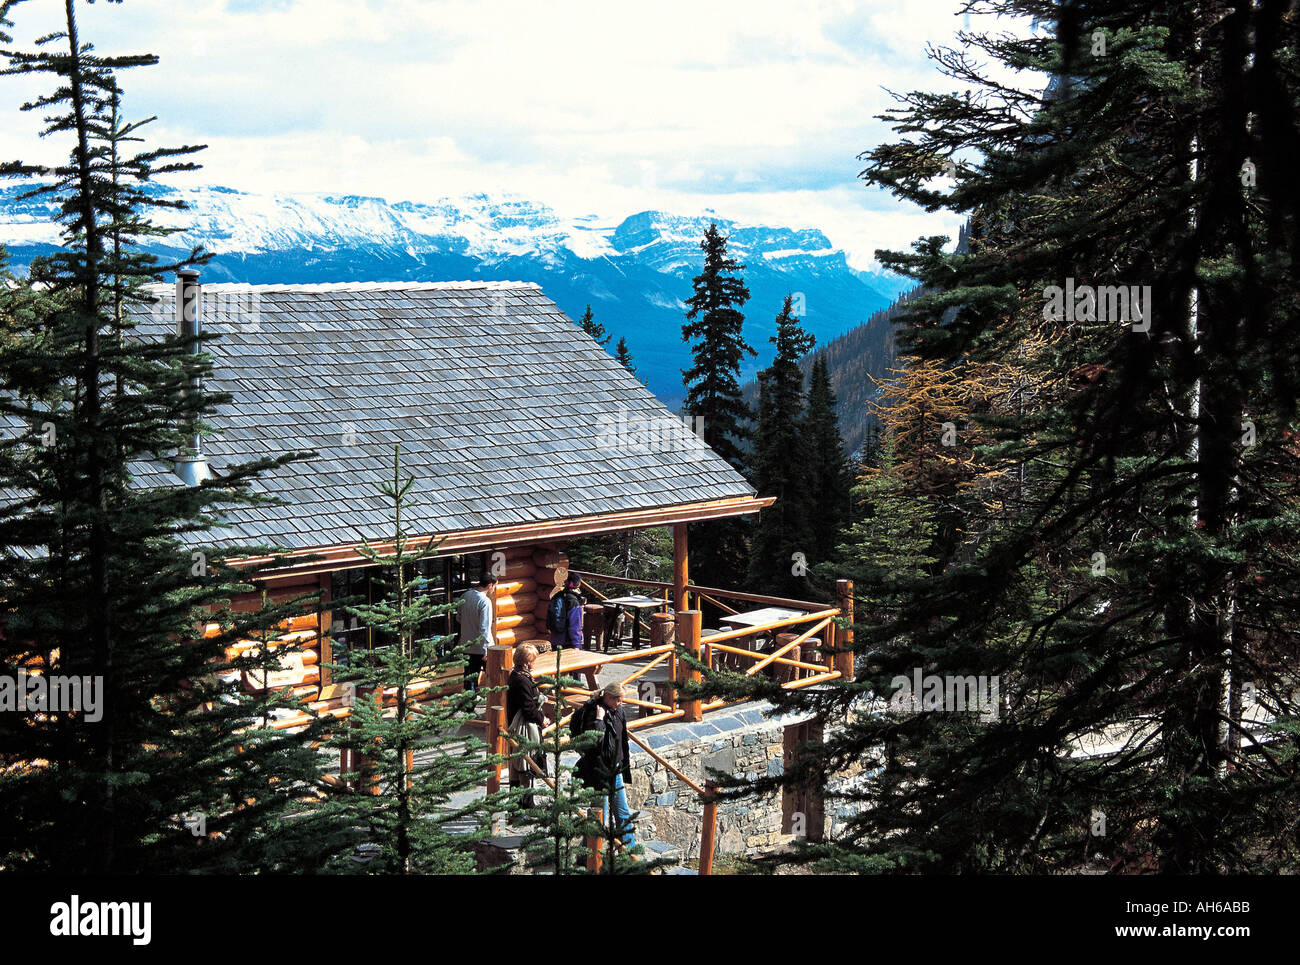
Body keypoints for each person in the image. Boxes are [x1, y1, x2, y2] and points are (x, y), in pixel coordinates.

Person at [572, 682, 636, 849]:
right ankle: (589, 853)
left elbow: (622, 740)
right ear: (608, 697)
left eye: (622, 700)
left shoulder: (619, 712)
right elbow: (594, 741)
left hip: (615, 768)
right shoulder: (594, 712)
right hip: (598, 771)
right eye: (618, 700)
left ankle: (629, 850)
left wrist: (622, 764)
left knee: (622, 811)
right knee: (599, 814)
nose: (620, 704)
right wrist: (599, 720)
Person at [507, 643, 549, 808]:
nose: (534, 664)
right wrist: (542, 719)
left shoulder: (516, 675)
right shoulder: (522, 680)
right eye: (532, 660)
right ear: (526, 662)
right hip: (524, 728)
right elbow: (528, 708)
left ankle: (517, 805)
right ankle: (525, 804)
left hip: (519, 726)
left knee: (518, 766)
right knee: (525, 765)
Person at [548, 573, 598, 690]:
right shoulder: (573, 601)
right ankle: (575, 693)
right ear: (578, 584)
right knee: (575, 673)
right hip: (569, 642)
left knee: (559, 670)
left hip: (555, 639)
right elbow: (575, 626)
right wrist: (576, 645)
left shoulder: (557, 596)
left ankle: (559, 693)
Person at [459, 571, 498, 690]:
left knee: (469, 677)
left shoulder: (465, 595)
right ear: (490, 585)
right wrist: (486, 649)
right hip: (481, 648)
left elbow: (459, 618)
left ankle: (468, 706)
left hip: (466, 645)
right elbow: (485, 628)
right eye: (494, 586)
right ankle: (493, 704)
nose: (493, 590)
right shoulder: (485, 602)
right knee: (493, 677)